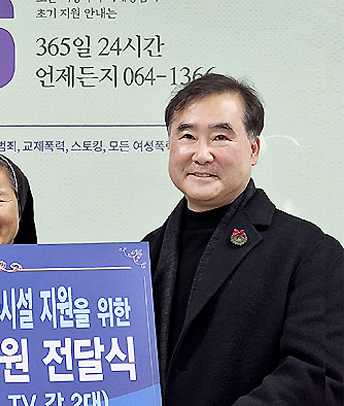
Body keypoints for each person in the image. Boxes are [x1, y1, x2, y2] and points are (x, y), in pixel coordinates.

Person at [143, 73, 343, 405]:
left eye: (220, 137)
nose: (202, 154)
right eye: (187, 136)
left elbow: (318, 376)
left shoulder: (310, 252)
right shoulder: (144, 254)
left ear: (253, 149)